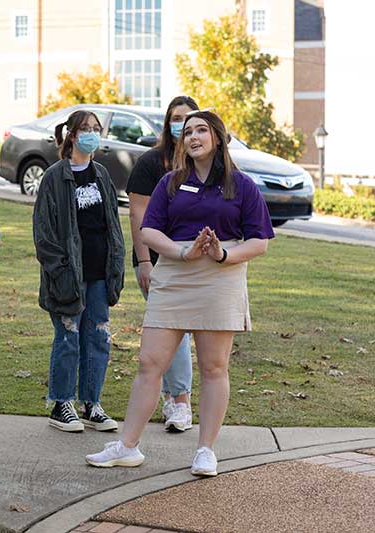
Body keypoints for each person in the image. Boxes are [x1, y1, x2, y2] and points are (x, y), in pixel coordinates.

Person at [86, 110, 274, 476]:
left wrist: (223, 254)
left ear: (217, 137)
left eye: (201, 130)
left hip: (221, 277)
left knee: (214, 367)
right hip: (174, 272)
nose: (192, 137)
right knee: (149, 362)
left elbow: (259, 241)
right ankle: (127, 446)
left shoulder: (242, 185)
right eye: (188, 131)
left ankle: (206, 451)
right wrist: (182, 252)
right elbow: (149, 231)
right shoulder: (170, 182)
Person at [32, 110, 125, 434]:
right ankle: (61, 404)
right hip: (68, 276)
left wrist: (116, 266)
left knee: (98, 337)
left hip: (100, 274)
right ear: (71, 135)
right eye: (85, 129)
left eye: (96, 129)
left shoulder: (101, 174)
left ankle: (91, 403)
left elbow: (113, 224)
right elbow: (43, 234)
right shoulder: (55, 177)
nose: (91, 134)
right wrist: (59, 271)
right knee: (68, 337)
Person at [126, 96, 199, 432]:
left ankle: (173, 398)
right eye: (175, 117)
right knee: (176, 329)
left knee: (181, 330)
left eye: (188, 119)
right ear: (168, 122)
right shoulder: (151, 163)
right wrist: (144, 261)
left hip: (196, 261)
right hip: (157, 262)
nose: (181, 124)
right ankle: (180, 401)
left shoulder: (204, 164)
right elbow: (138, 215)